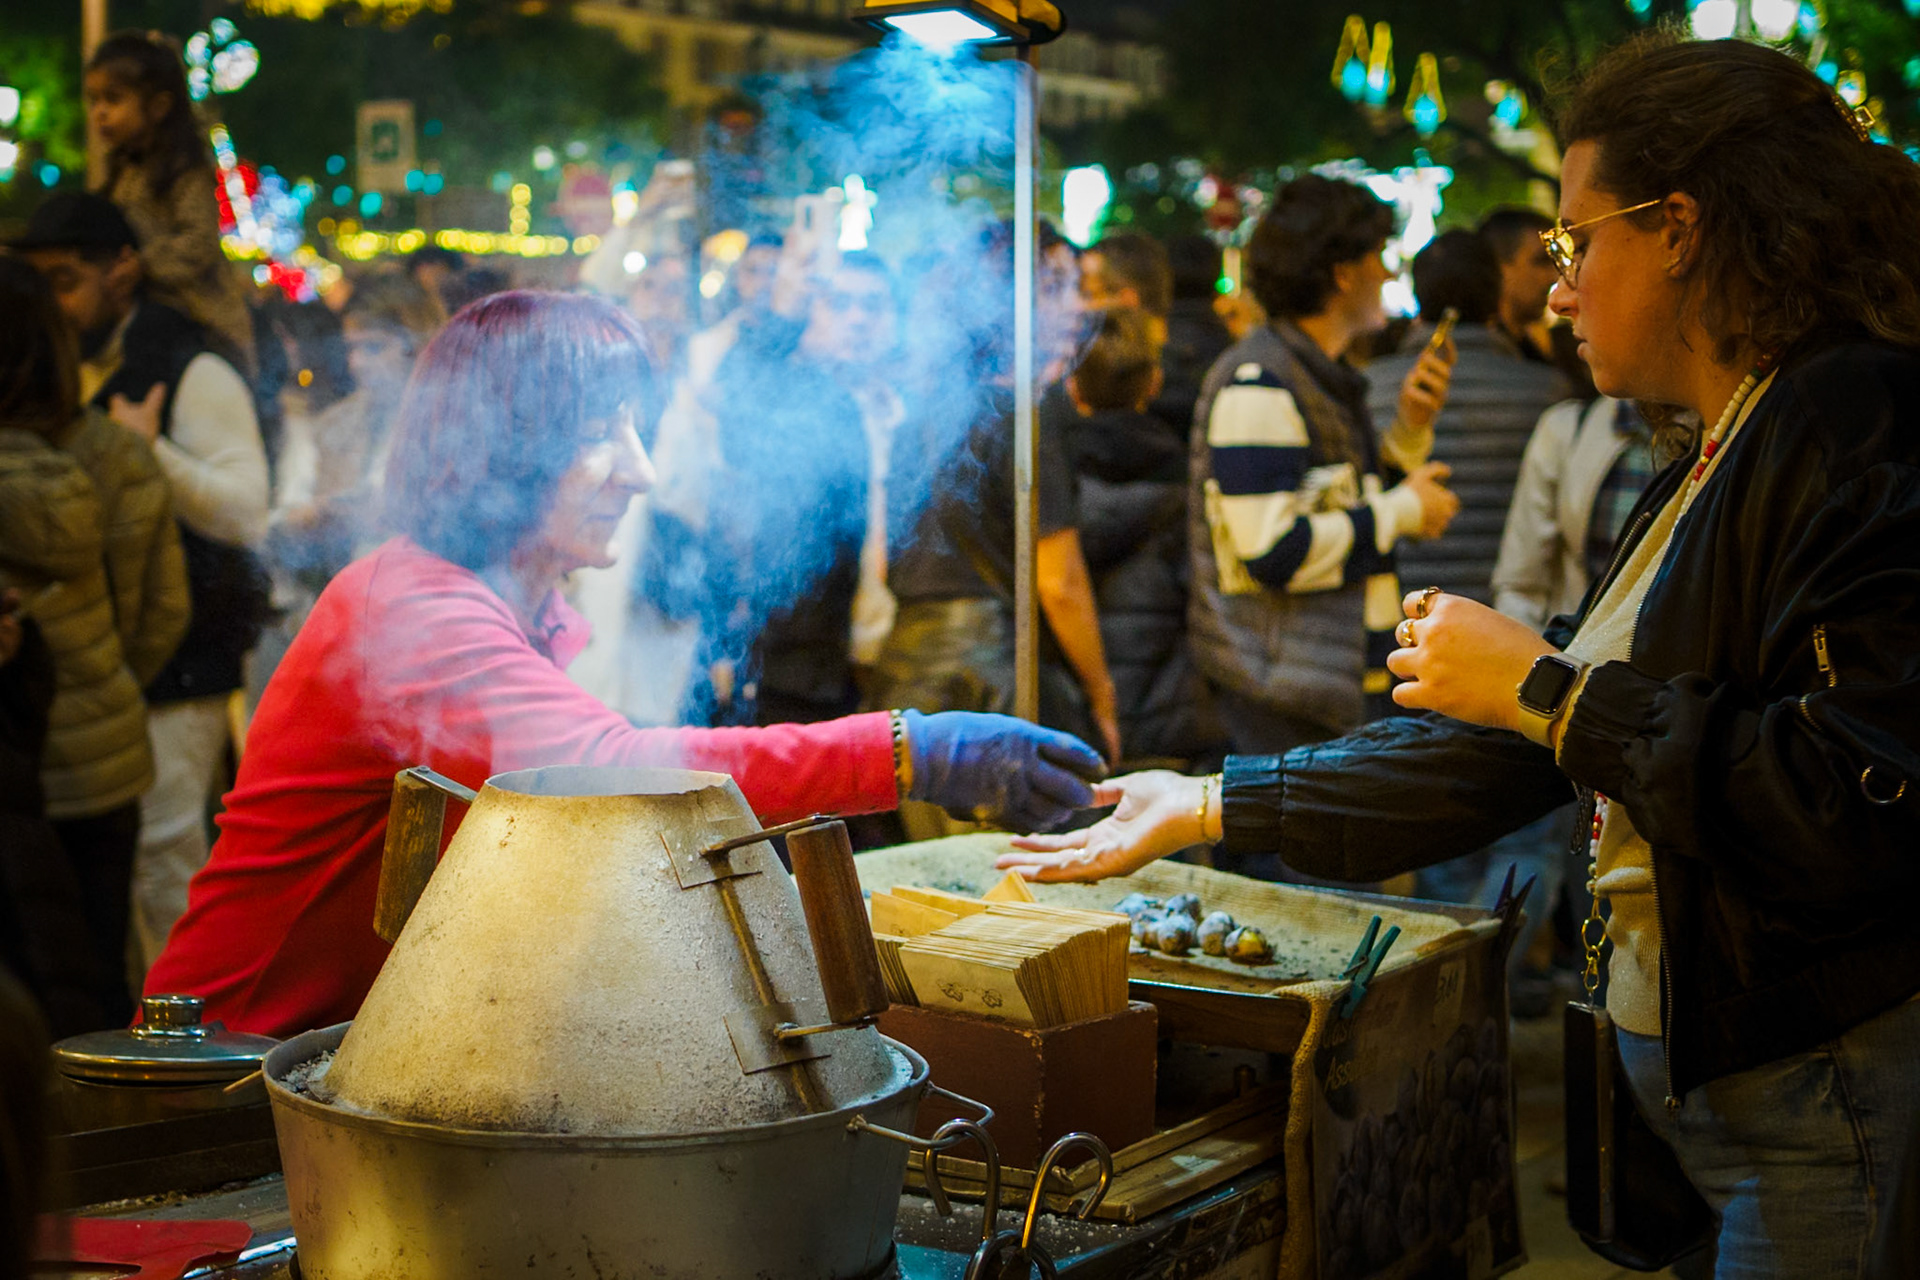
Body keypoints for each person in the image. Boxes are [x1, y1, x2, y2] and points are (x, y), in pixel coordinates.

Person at [1003, 35, 1920, 1278]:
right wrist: (1209, 800)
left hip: (1820, 1095)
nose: (1554, 288)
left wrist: (1543, 686)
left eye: (1574, 242)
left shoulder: (1848, 413)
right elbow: (1509, 762)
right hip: (1738, 1108)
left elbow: (1849, 798)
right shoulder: (1728, 436)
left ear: (1685, 228)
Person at [143, 290, 1106, 1038]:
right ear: (507, 448)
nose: (642, 471)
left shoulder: (523, 610)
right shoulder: (409, 607)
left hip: (342, 1052)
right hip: (230, 1073)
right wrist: (909, 750)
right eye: (603, 434)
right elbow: (614, 775)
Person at [15, 192, 273, 980]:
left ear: (121, 269)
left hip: (178, 667)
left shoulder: (188, 365)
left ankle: (181, 1064)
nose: (53, 305)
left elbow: (244, 509)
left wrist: (148, 449)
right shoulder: (78, 357)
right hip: (119, 683)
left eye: (65, 281)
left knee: (166, 873)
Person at [1188, 173, 1459, 762]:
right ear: (1342, 273)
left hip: (1310, 682)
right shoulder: (1260, 381)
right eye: (1379, 258)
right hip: (1279, 693)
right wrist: (1405, 509)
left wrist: (1409, 432)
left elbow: (1333, 503)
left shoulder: (1313, 372)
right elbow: (1272, 549)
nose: (1390, 274)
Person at [0, 256, 188, 1028]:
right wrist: (110, 681)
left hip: (14, 771)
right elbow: (161, 611)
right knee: (100, 980)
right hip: (104, 763)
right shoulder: (117, 454)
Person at [875, 223, 1122, 768]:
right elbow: (1058, 582)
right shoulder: (1025, 414)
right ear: (1002, 297)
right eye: (1055, 285)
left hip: (906, 675)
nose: (1078, 306)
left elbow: (881, 561)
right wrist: (1103, 693)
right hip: (988, 682)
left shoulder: (923, 414)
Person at [1364, 230, 1570, 607]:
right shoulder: (1549, 393)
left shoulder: (1366, 387)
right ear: (1495, 299)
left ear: (1419, 301)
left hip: (1403, 612)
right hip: (1504, 614)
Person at [1065, 307, 1224, 765]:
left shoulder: (1047, 483)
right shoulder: (1186, 480)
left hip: (1073, 707)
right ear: (1154, 382)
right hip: (1171, 708)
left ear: (1072, 387)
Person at [84, 32, 253, 375]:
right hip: (149, 319)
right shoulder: (122, 172)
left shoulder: (184, 171)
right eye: (94, 100)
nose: (99, 112)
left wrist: (143, 266)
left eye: (113, 99)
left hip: (201, 324)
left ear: (159, 106)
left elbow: (199, 244)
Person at [1491, 395, 1657, 632]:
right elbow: (1521, 587)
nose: (1584, 354)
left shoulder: (1712, 433)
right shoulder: (1568, 427)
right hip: (1573, 653)